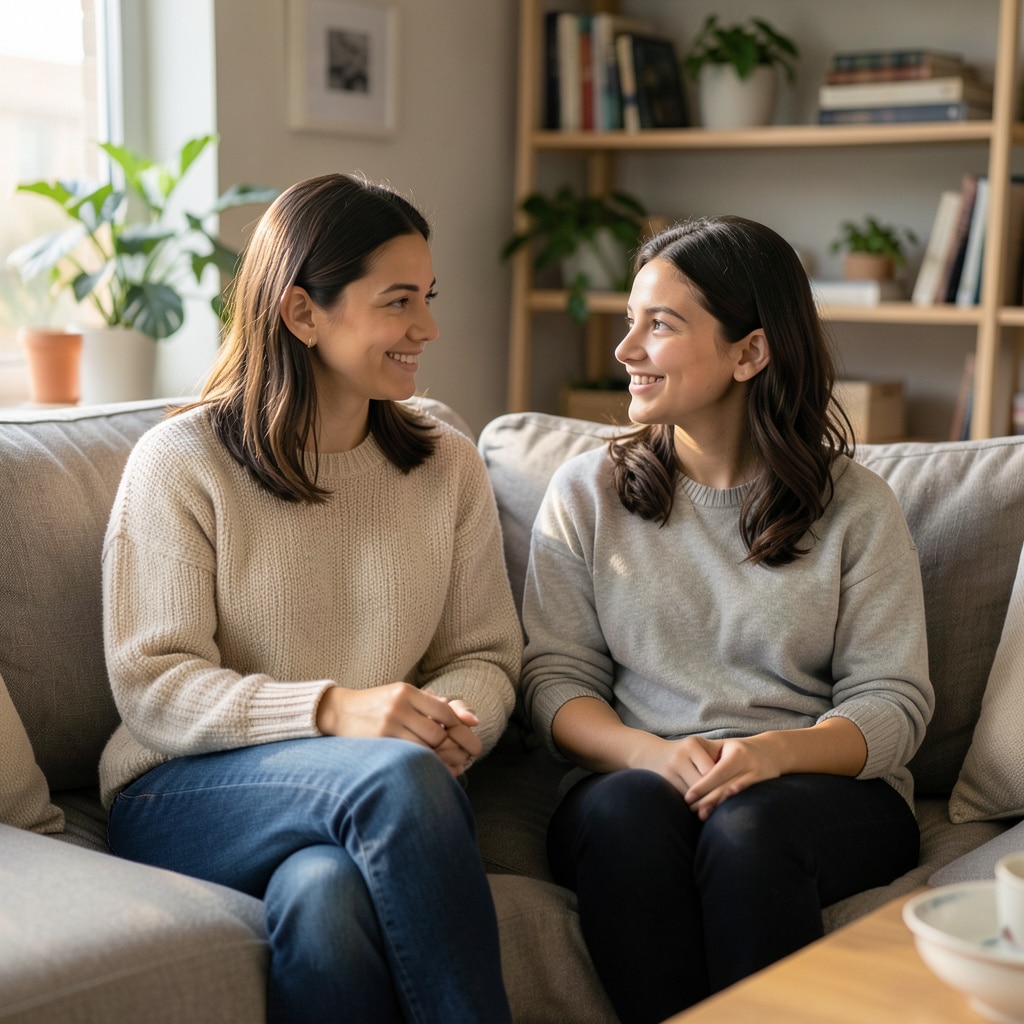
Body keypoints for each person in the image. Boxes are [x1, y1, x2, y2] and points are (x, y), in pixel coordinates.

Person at [99, 173, 522, 1023]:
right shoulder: (183, 462)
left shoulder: (446, 463)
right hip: (183, 790)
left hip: (378, 784)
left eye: (428, 298)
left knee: (324, 898)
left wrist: (441, 727)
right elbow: (154, 683)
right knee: (390, 780)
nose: (427, 328)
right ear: (301, 313)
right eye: (398, 301)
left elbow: (485, 654)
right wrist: (333, 711)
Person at [521, 216, 934, 1024]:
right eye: (629, 320)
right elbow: (553, 680)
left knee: (749, 831)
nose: (625, 348)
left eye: (661, 325)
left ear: (750, 351)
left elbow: (894, 701)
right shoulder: (585, 494)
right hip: (636, 778)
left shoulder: (856, 508)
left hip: (816, 790)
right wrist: (650, 753)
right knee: (623, 813)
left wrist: (771, 755)